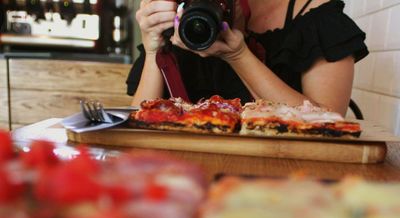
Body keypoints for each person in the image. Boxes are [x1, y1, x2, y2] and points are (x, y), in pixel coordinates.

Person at [126, 0, 368, 116]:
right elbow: (139, 117)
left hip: (286, 179)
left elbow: (330, 124)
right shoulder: (185, 15)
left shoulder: (315, 15)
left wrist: (239, 56)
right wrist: (152, 49)